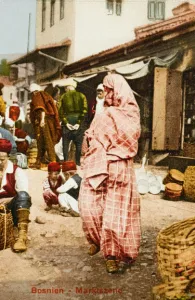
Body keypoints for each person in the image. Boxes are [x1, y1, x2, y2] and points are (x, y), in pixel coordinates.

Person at [79, 73, 141, 274]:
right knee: (88, 207)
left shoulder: (131, 113)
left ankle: (111, 256)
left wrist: (101, 144)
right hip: (100, 164)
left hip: (120, 168)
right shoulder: (104, 112)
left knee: (115, 215)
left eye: (109, 90)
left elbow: (130, 140)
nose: (105, 95)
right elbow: (92, 135)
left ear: (118, 91)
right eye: (104, 91)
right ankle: (97, 240)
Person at [0, 139, 31, 252]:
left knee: (23, 196)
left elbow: (23, 192)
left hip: (10, 206)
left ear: (8, 157)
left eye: (2, 159)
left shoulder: (16, 171)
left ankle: (21, 237)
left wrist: (8, 200)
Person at [29, 83, 61, 168]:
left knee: (47, 141)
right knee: (41, 141)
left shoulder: (37, 96)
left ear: (33, 92)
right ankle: (40, 161)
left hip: (43, 121)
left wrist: (42, 120)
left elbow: (41, 109)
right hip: (47, 121)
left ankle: (53, 161)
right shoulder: (44, 94)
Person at [58, 81, 88, 166]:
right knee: (78, 146)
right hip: (79, 125)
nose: (65, 89)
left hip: (66, 125)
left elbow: (60, 111)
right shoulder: (82, 96)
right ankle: (77, 163)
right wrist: (78, 123)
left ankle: (66, 163)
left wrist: (66, 123)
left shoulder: (63, 96)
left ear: (68, 87)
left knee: (65, 145)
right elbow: (84, 111)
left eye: (65, 88)